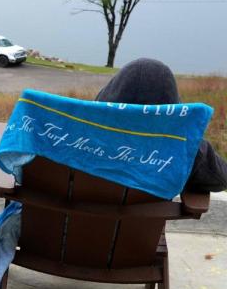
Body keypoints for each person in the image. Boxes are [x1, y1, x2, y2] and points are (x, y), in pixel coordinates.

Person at [96, 58, 227, 192]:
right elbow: (221, 179)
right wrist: (188, 136)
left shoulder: (80, 137)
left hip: (87, 212)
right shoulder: (185, 150)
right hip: (150, 212)